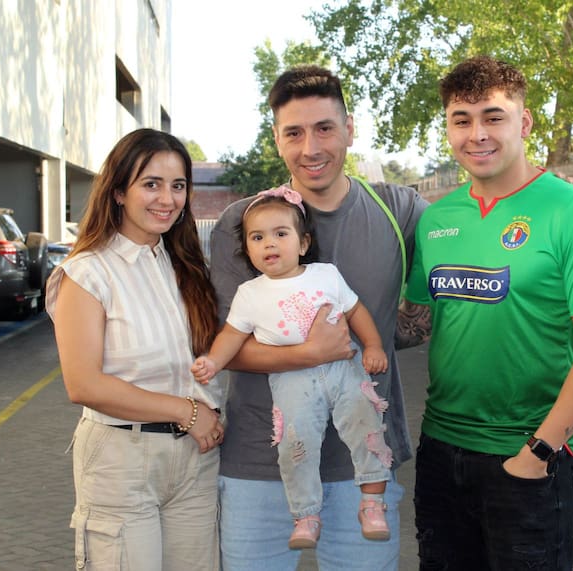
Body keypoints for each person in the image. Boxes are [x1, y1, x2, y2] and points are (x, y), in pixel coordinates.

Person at [404, 55, 573, 570]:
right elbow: (416, 322)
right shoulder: (438, 219)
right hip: (440, 454)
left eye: (493, 117)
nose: (477, 134)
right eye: (462, 120)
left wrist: (538, 453)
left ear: (523, 123)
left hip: (528, 459)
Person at [209, 65, 430, 570]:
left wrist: (375, 340)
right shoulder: (243, 223)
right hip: (259, 467)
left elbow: (465, 251)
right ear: (277, 139)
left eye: (324, 128)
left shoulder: (400, 210)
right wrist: (312, 353)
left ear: (349, 128)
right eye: (294, 133)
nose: (310, 148)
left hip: (363, 472)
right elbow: (227, 346)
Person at [45, 128, 224, 571]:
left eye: (178, 186)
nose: (167, 199)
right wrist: (187, 411)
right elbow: (83, 384)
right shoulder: (87, 273)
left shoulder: (186, 267)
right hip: (121, 458)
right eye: (151, 184)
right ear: (119, 192)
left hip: (196, 460)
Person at [193, 186, 394, 549]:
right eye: (257, 237)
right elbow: (231, 336)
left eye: (280, 234)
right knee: (295, 443)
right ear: (248, 250)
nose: (269, 243)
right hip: (290, 378)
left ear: (303, 243)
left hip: (343, 368)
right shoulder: (250, 293)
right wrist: (213, 361)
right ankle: (305, 514)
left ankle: (372, 501)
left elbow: (355, 311)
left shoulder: (325, 274)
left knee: (367, 422)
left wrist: (374, 345)